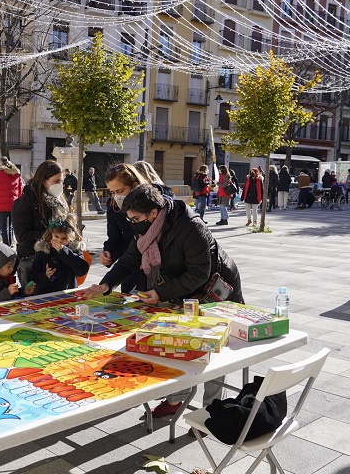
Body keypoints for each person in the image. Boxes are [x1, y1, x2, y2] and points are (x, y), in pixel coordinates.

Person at [82, 184, 243, 418]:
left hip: (217, 291)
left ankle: (212, 409)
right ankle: (177, 398)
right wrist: (105, 285)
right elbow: (129, 260)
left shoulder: (191, 227)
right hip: (183, 289)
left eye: (135, 218)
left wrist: (160, 293)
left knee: (212, 348)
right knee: (178, 341)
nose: (132, 223)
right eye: (129, 218)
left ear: (154, 213)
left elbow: (199, 273)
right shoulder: (146, 229)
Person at [12, 160, 68, 286]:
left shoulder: (59, 201)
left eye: (62, 181)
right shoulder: (24, 202)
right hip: (33, 261)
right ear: (44, 181)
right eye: (56, 181)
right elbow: (22, 236)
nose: (61, 185)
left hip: (57, 259)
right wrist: (52, 235)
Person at [102, 163, 151, 293]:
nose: (116, 196)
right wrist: (109, 253)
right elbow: (114, 239)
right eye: (112, 192)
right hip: (130, 268)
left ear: (135, 186)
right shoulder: (113, 208)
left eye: (120, 191)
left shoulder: (152, 204)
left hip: (155, 271)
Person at [30, 215, 89, 295]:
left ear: (70, 238)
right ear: (51, 234)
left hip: (69, 293)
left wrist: (64, 251)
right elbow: (32, 277)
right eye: (56, 237)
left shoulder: (74, 249)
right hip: (46, 295)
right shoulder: (44, 251)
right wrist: (45, 276)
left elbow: (81, 271)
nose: (59, 241)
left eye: (64, 238)